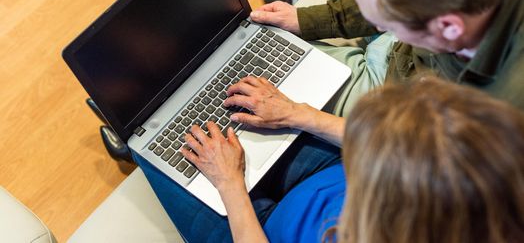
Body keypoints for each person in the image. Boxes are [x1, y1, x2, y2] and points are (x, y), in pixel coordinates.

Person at [135, 0, 524, 240]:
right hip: (348, 163)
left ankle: (142, 127)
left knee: (149, 147)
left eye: (386, 22)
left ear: (449, 27)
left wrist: (231, 184)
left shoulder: (493, 130)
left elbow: (411, 149)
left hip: (389, 114)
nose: (383, 30)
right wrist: (309, 22)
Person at [136, 77, 524, 242]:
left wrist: (229, 184)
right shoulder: (495, 172)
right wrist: (295, 113)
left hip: (262, 229)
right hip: (326, 174)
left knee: (152, 147)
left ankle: (135, 140)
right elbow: (392, 141)